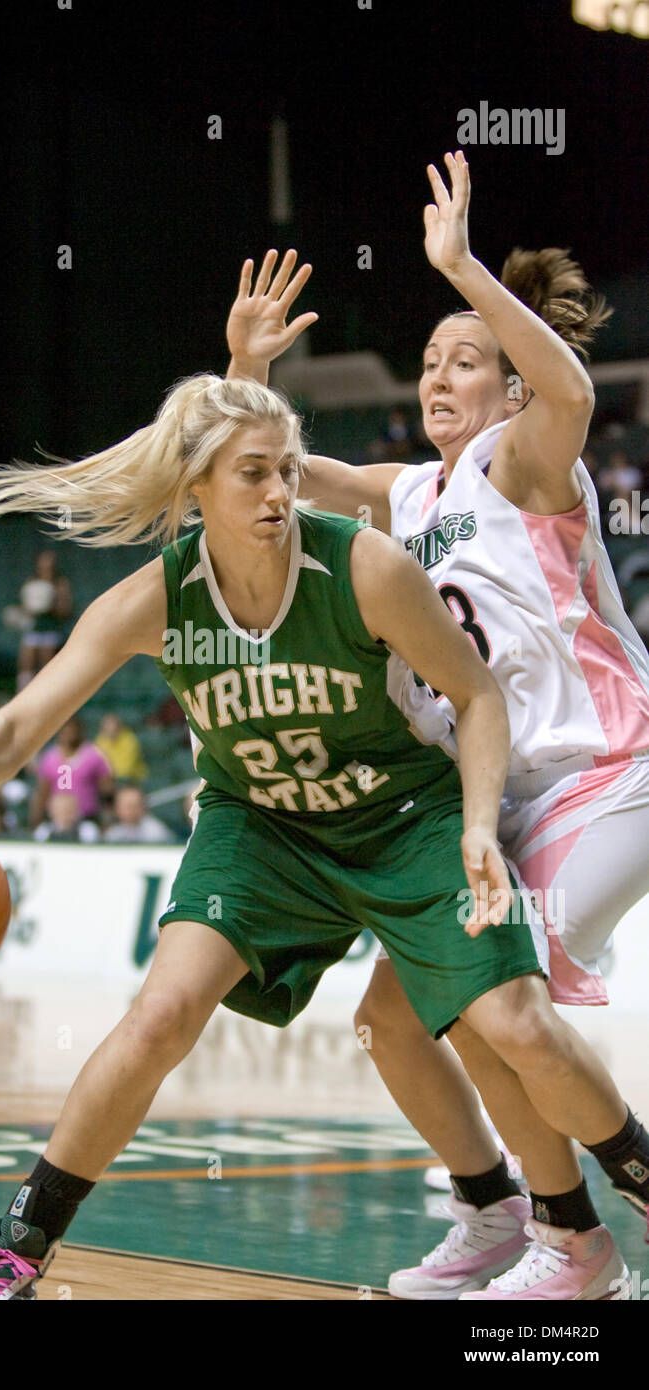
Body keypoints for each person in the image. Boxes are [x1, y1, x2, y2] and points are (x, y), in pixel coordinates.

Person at [0, 373, 634, 1301]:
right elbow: (24, 729)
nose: (279, 493)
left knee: (509, 1022)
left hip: (401, 816)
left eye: (288, 471)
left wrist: (475, 824)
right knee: (160, 1015)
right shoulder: (155, 600)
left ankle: (595, 1208)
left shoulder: (363, 566)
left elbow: (474, 696)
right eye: (254, 475)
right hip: (260, 828)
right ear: (198, 492)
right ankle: (16, 1249)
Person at [224, 153, 649, 1298]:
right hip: (498, 791)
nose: (436, 378)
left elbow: (567, 392)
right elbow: (264, 468)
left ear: (506, 388)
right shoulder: (410, 494)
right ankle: (496, 1213)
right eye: (426, 362)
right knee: (390, 1019)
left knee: (493, 992)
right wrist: (244, 370)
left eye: (465, 362)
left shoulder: (522, 458)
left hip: (606, 771)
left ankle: (580, 1248)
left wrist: (461, 270)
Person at [29, 716, 112, 829]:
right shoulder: (50, 757)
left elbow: (107, 790)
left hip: (88, 817)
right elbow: (43, 790)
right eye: (65, 731)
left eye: (72, 730)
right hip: (57, 819)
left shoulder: (94, 754)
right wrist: (37, 817)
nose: (69, 734)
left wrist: (107, 817)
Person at [17, 550, 73, 689]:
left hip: (51, 629)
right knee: (26, 664)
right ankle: (22, 694)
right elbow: (25, 607)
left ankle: (48, 692)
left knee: (46, 665)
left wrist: (51, 604)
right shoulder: (32, 582)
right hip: (34, 628)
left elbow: (66, 611)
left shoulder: (60, 583)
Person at [103, 784, 173, 844]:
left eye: (136, 805)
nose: (132, 810)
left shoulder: (156, 832)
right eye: (128, 806)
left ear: (143, 807)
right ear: (117, 808)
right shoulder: (113, 833)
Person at [96, 713, 148, 781]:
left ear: (120, 728)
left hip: (134, 779)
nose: (110, 731)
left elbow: (125, 769)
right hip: (111, 779)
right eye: (106, 728)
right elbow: (96, 763)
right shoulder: (100, 740)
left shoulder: (130, 740)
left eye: (114, 728)